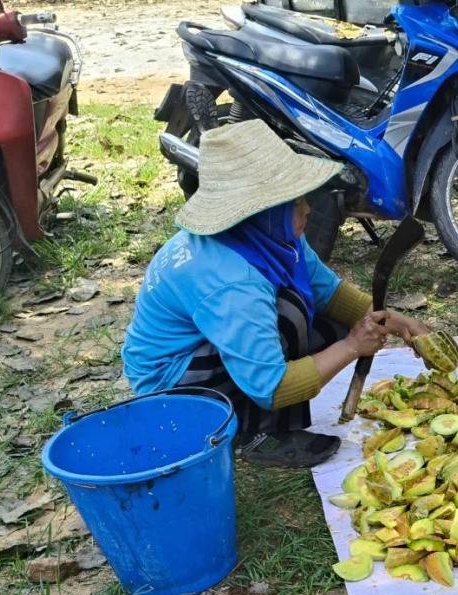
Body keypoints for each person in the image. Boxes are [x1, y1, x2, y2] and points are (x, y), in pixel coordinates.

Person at [123, 120, 428, 469]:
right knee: (293, 315)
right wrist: (351, 348)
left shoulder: (267, 238)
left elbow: (328, 293)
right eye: (294, 201)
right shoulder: (232, 282)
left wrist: (394, 321)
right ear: (260, 211)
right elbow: (272, 387)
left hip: (211, 341)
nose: (307, 209)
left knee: (324, 319)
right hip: (173, 385)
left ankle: (266, 411)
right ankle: (261, 433)